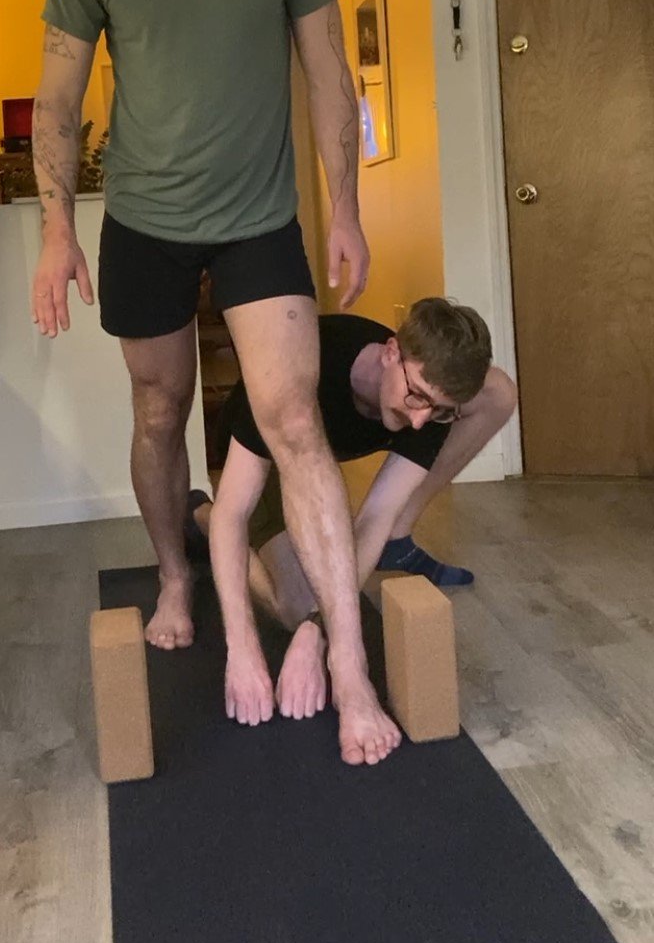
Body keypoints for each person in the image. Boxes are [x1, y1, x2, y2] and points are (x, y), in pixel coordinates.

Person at [30, 0, 399, 767]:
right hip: (142, 218)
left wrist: (347, 206)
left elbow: (331, 72)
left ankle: (350, 662)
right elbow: (57, 99)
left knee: (291, 416)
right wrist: (58, 228)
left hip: (257, 218)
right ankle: (181, 574)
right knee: (161, 408)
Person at [193, 298, 517, 728]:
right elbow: (234, 513)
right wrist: (242, 649)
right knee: (294, 602)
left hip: (325, 452)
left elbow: (375, 517)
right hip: (266, 452)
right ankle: (197, 512)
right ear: (390, 353)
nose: (420, 421)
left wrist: (317, 630)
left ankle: (390, 552)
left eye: (438, 410)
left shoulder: (429, 407)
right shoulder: (295, 374)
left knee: (315, 607)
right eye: (416, 395)